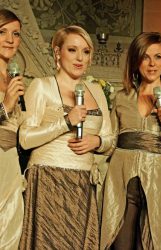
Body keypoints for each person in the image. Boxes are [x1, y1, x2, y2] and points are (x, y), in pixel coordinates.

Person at [18, 25, 113, 249]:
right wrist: (65, 122)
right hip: (48, 180)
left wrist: (97, 142)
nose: (80, 58)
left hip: (83, 184)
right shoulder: (42, 86)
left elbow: (110, 138)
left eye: (86, 51)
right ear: (57, 52)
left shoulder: (96, 91)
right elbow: (24, 138)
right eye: (72, 50)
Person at [100, 32, 161, 250]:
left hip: (158, 185)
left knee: (154, 243)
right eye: (145, 57)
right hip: (120, 184)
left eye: (158, 57)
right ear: (136, 61)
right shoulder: (121, 97)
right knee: (119, 244)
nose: (152, 64)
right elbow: (111, 141)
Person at [0, 9, 25, 250]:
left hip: (10, 162)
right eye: (2, 32)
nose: (10, 39)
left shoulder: (13, 77)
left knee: (11, 232)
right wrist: (5, 106)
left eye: (15, 34)